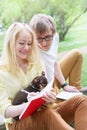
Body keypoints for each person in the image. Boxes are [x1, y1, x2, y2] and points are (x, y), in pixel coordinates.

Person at [0, 22, 87, 130]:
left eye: (29, 43)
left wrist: (49, 98)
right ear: (11, 43)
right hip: (17, 124)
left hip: (44, 112)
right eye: (22, 43)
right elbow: (6, 112)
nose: (26, 48)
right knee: (47, 114)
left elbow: (46, 96)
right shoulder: (1, 73)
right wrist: (29, 105)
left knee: (81, 100)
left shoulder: (37, 63)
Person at [29, 13, 83, 93]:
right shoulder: (30, 48)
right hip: (44, 88)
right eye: (39, 39)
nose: (44, 43)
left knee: (77, 54)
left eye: (47, 37)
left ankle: (76, 92)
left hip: (54, 78)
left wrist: (64, 85)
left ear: (53, 33)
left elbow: (53, 62)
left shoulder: (55, 38)